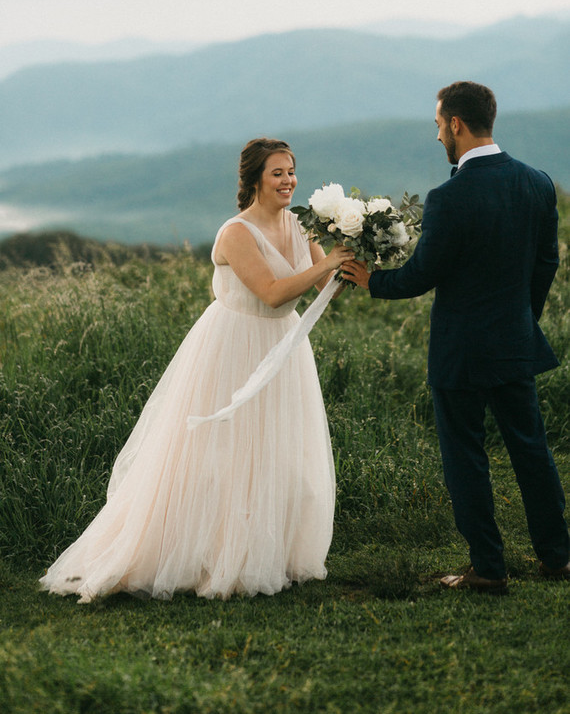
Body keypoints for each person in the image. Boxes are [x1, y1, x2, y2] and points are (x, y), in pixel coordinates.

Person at [40, 137, 354, 603]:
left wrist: (351, 252)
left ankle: (267, 551)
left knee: (277, 448)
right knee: (219, 455)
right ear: (253, 180)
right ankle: (205, 554)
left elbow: (324, 281)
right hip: (234, 346)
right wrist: (327, 263)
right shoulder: (236, 233)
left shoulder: (300, 223)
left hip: (283, 346)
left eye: (291, 171)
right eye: (277, 173)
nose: (288, 181)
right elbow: (272, 292)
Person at [341, 81, 570, 593]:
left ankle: (488, 568)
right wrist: (520, 318)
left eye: (438, 124)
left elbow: (421, 275)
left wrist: (372, 280)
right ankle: (557, 557)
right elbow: (546, 263)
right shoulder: (538, 183)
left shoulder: (449, 197)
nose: (437, 133)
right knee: (531, 450)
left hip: (461, 352)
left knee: (466, 457)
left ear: (456, 125)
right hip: (515, 343)